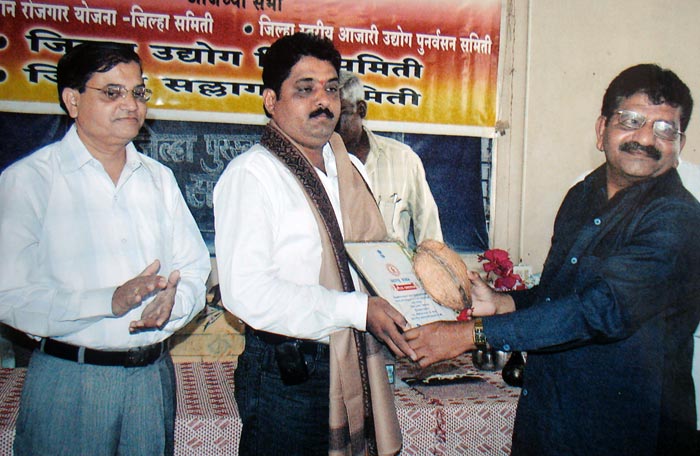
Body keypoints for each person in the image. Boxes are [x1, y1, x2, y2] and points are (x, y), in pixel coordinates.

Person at [405, 63, 700, 455]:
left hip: (628, 435)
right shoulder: (581, 196)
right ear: (602, 129)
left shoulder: (677, 218)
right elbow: (563, 293)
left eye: (665, 129)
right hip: (552, 420)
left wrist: (467, 335)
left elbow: (601, 310)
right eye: (631, 120)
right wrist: (505, 302)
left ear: (679, 145)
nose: (646, 138)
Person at [0, 42, 211, 455]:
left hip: (151, 378)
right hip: (70, 381)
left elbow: (193, 267)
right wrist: (108, 301)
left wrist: (174, 301)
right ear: (72, 100)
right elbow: (9, 295)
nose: (131, 104)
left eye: (138, 92)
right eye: (112, 92)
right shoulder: (29, 180)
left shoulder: (159, 178)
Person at [213, 33, 414, 456]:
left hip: (353, 358)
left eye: (331, 88)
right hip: (288, 375)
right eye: (305, 89)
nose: (323, 101)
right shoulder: (253, 175)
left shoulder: (348, 168)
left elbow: (372, 258)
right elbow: (247, 293)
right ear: (271, 100)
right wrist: (358, 310)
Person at [335, 71, 443, 247]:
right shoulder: (318, 163)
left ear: (361, 109)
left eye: (342, 113)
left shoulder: (403, 160)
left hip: (391, 264)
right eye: (329, 115)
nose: (333, 124)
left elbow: (429, 233)